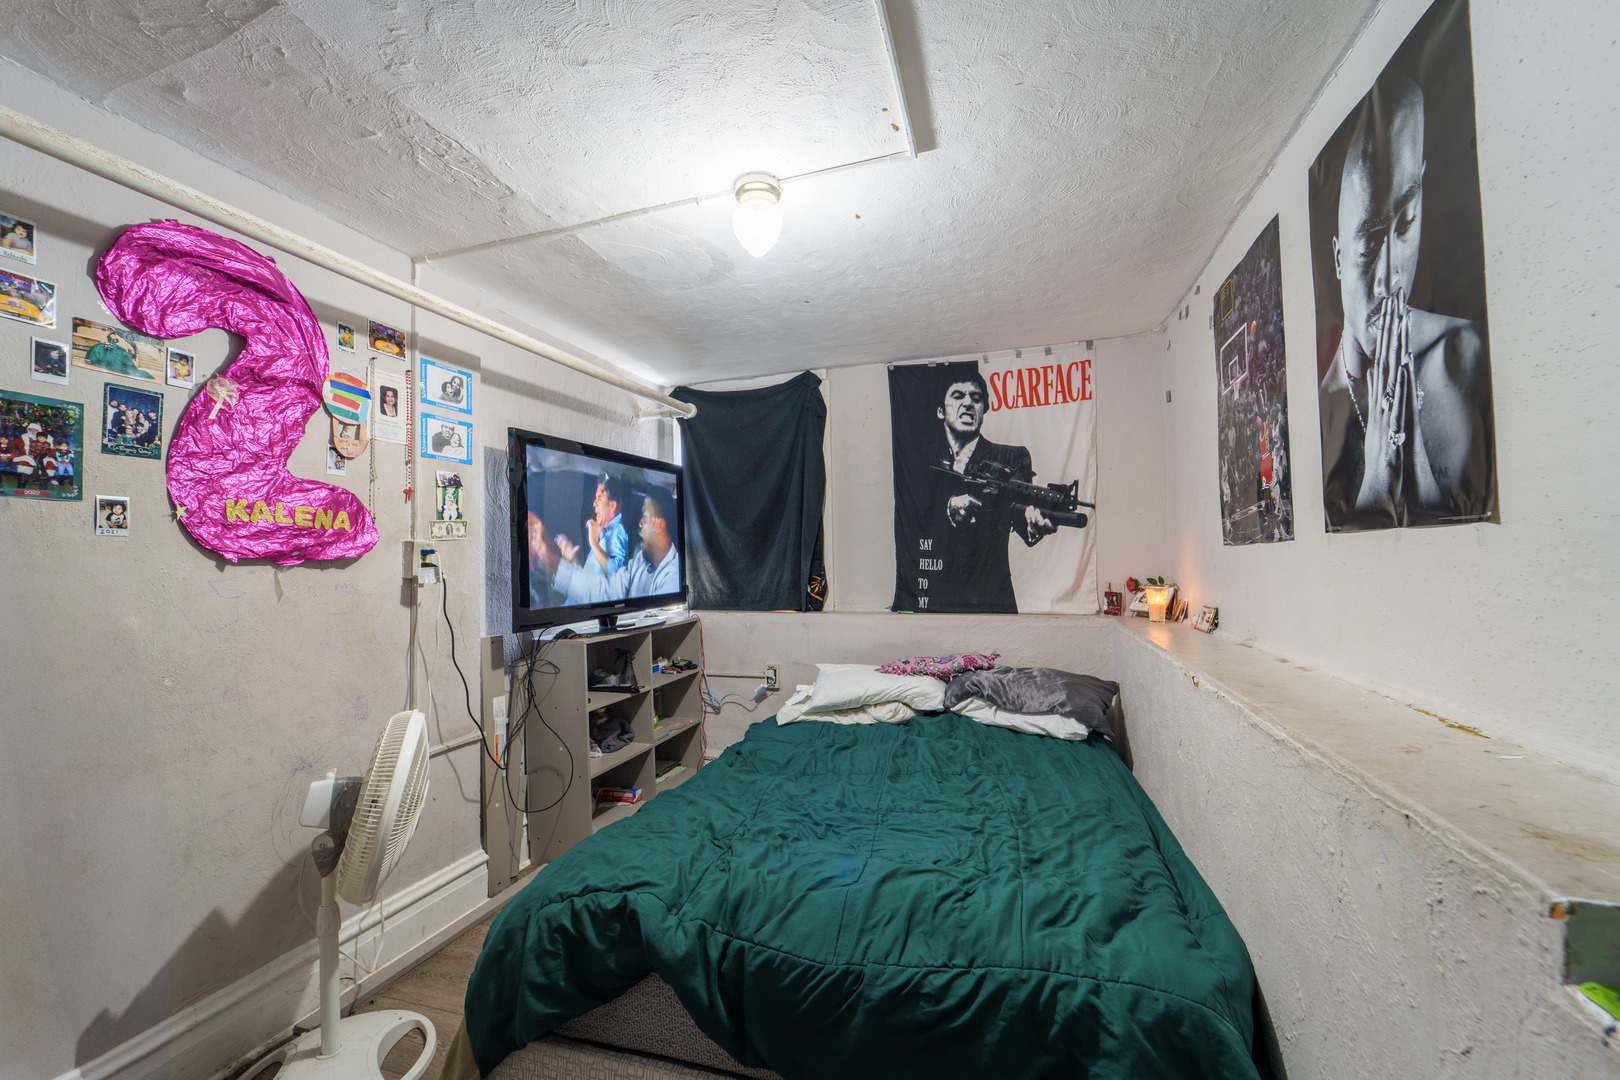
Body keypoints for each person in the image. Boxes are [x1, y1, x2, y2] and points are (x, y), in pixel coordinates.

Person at [1320, 76, 1489, 527]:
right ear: (1339, 260)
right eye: (1370, 242)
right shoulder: (1314, 419)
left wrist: (1412, 457)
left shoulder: (1466, 354)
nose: (1390, 274)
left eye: (1406, 223)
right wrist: (1378, 470)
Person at [924, 373, 1056, 612]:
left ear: (984, 409)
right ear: (940, 411)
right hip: (936, 596)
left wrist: (1030, 518)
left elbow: (1021, 506)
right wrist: (950, 506)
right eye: (958, 396)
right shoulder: (924, 459)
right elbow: (916, 508)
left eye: (976, 398)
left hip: (992, 596)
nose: (968, 403)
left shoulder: (1011, 457)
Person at [528, 490, 680, 606]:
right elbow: (604, 590)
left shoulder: (673, 577)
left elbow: (612, 573)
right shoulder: (640, 561)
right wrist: (567, 563)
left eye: (645, 517)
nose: (640, 523)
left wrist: (593, 544)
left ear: (659, 525)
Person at [557, 475, 629, 579]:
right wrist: (574, 560)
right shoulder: (605, 533)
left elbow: (615, 573)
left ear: (612, 506)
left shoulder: (618, 531)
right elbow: (590, 584)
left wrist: (594, 543)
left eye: (599, 498)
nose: (594, 503)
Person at [83, 330, 148, 378]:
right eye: (109, 330)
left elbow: (114, 341)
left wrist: (113, 341)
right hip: (109, 344)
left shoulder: (113, 335)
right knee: (99, 348)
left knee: (116, 353)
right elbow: (115, 341)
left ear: (112, 331)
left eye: (110, 330)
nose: (109, 331)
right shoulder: (111, 335)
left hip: (112, 345)